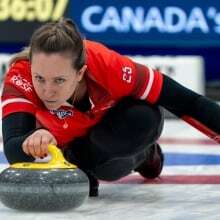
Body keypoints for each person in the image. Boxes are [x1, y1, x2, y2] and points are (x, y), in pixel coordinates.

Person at [1, 18, 220, 197]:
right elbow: (13, 149)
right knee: (105, 169)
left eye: (59, 80)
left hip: (108, 138)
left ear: (80, 73)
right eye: (39, 78)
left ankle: (145, 155)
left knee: (143, 117)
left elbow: (187, 102)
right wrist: (34, 140)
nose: (47, 91)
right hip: (67, 142)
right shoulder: (20, 76)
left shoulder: (109, 67)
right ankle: (81, 161)